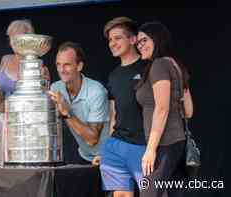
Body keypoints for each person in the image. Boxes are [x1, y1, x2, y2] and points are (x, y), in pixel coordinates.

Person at [135, 21, 193, 197]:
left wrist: (151, 149)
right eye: (138, 42)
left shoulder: (159, 65)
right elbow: (188, 111)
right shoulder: (176, 65)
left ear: (157, 38)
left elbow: (161, 108)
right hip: (177, 143)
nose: (140, 45)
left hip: (165, 144)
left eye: (144, 40)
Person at [98, 17, 147, 197]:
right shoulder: (113, 75)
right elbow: (113, 114)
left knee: (151, 193)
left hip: (144, 145)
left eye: (117, 38)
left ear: (133, 39)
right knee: (120, 194)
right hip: (117, 144)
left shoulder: (148, 68)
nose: (112, 43)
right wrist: (107, 146)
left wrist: (153, 148)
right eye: (110, 40)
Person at [48, 41, 110, 164]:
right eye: (58, 65)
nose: (61, 70)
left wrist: (66, 113)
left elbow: (92, 139)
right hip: (82, 154)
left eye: (67, 65)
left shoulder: (96, 91)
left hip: (106, 157)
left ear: (79, 66)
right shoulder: (56, 88)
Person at [0, 19, 50, 97]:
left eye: (18, 38)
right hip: (3, 108)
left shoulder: (38, 65)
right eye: (11, 38)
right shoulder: (5, 59)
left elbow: (44, 95)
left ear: (29, 39)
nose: (14, 42)